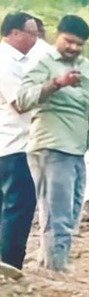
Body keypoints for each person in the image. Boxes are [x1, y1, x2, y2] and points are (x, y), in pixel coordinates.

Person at [16, 14, 89, 272]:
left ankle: (52, 262)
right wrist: (57, 83)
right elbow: (23, 99)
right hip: (51, 146)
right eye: (69, 41)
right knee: (55, 212)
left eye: (79, 44)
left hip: (77, 148)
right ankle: (56, 268)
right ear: (58, 35)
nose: (73, 48)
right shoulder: (43, 63)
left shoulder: (86, 66)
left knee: (72, 211)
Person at [0, 10, 38, 272]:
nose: (35, 38)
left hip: (17, 143)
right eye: (31, 33)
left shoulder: (22, 61)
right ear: (14, 33)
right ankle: (10, 267)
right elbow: (20, 104)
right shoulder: (5, 61)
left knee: (12, 207)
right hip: (16, 143)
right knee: (18, 207)